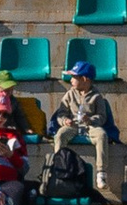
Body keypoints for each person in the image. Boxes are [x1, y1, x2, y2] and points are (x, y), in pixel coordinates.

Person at [48, 63, 119, 194]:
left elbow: (102, 117)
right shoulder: (69, 94)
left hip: (90, 126)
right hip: (73, 126)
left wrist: (91, 119)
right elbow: (61, 113)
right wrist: (65, 121)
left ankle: (101, 172)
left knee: (102, 135)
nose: (71, 80)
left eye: (74, 77)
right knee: (60, 135)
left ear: (85, 79)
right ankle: (59, 167)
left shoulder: (97, 96)